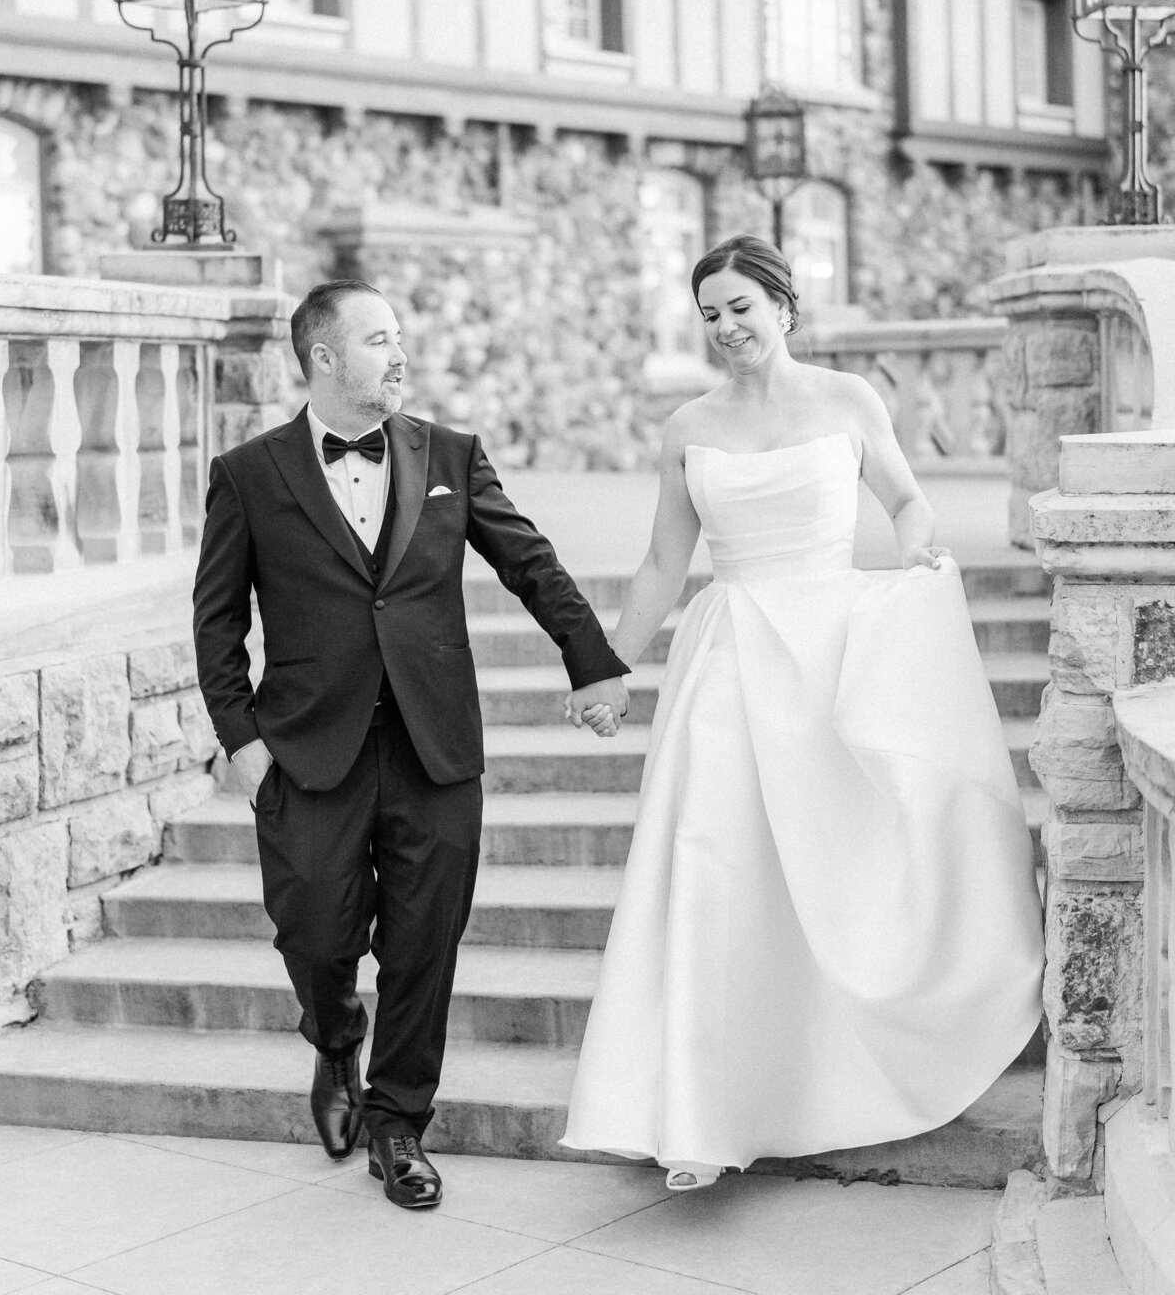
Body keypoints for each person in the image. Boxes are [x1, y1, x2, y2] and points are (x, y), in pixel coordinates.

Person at [560, 235, 1043, 1190]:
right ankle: (703, 1114)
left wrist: (916, 551)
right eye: (710, 314)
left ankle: (834, 1071)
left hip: (833, 655)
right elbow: (661, 564)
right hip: (731, 661)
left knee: (836, 862)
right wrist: (605, 668)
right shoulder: (687, 426)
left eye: (741, 307)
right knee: (718, 865)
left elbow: (908, 502)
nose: (726, 328)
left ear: (784, 306)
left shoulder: (850, 400)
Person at [193, 279, 628, 1209]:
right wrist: (244, 746)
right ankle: (334, 1041)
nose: (400, 355)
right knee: (315, 933)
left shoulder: (451, 455)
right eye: (378, 339)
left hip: (434, 743)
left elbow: (530, 562)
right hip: (308, 749)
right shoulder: (249, 474)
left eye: (399, 336)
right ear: (323, 358)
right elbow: (216, 624)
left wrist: (591, 663)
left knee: (425, 942)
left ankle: (397, 1124)